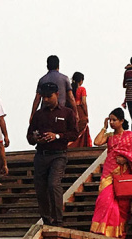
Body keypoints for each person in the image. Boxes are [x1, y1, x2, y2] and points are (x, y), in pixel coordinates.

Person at [91, 108, 132, 239]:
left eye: (114, 120)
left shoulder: (131, 136)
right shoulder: (110, 136)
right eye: (110, 120)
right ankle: (101, 229)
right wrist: (104, 128)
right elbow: (97, 142)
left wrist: (126, 159)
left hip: (124, 174)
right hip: (109, 172)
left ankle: (117, 232)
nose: (111, 122)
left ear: (121, 121)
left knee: (122, 205)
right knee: (104, 200)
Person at [26, 82, 78, 227]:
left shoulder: (67, 113)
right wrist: (36, 138)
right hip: (41, 154)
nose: (46, 100)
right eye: (44, 97)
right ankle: (46, 219)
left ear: (57, 95)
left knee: (53, 184)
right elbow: (29, 136)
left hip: (59, 154)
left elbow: (74, 133)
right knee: (40, 187)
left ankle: (57, 219)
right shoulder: (39, 114)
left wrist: (57, 136)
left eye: (49, 97)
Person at [30, 55, 78, 125]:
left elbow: (37, 99)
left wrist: (32, 115)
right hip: (61, 114)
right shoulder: (64, 79)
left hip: (44, 114)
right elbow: (71, 98)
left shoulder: (42, 80)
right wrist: (76, 113)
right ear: (58, 66)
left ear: (47, 66)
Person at [69, 72, 92, 148]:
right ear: (81, 80)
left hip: (71, 110)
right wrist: (86, 114)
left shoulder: (69, 89)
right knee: (82, 127)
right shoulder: (82, 89)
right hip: (80, 111)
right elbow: (83, 102)